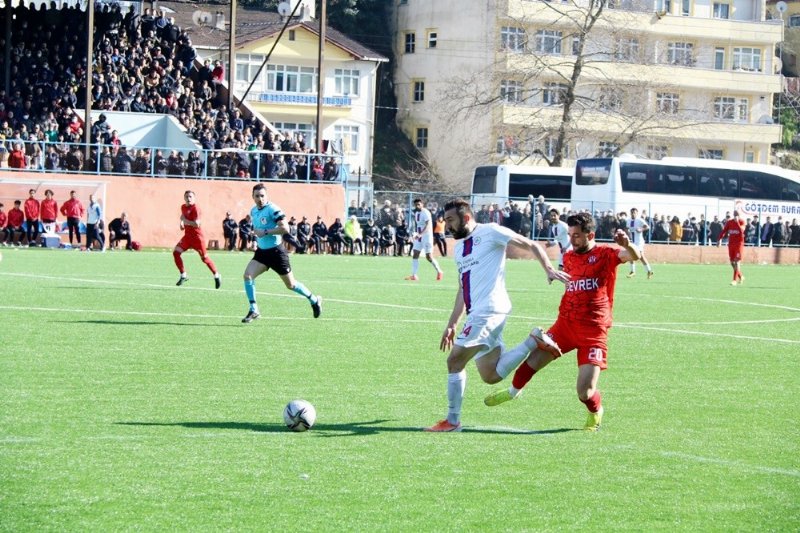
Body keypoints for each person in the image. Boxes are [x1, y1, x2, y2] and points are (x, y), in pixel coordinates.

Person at [484, 212, 641, 432]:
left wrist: (628, 244)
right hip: (565, 325)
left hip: (593, 332)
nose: (572, 239)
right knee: (532, 361)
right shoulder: (568, 257)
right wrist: (553, 275)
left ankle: (596, 411)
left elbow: (633, 256)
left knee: (584, 392)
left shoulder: (605, 254)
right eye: (570, 234)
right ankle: (512, 392)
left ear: (590, 235)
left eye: (576, 235)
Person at [425, 199, 570, 432]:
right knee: (490, 375)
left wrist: (549, 269)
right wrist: (452, 324)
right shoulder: (460, 248)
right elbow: (463, 289)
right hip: (478, 313)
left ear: (467, 218)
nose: (447, 225)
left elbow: (531, 244)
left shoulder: (491, 231)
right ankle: (533, 341)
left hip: (489, 311)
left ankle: (452, 421)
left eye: (451, 220)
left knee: (454, 361)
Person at [241, 184, 322, 323]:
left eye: (262, 196)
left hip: (277, 253)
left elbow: (285, 228)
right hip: (262, 253)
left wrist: (266, 232)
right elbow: (257, 229)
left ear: (267, 196)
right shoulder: (253, 211)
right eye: (257, 196)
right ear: (252, 197)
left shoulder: (273, 209)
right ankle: (254, 309)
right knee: (248, 275)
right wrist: (256, 239)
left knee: (291, 285)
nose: (260, 199)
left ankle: (314, 300)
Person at [173, 191, 221, 288]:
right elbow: (183, 221)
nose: (188, 198)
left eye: (190, 196)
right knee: (176, 252)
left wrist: (184, 220)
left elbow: (196, 224)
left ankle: (216, 275)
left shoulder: (196, 208)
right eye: (186, 196)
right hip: (187, 237)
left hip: (197, 238)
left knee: (205, 259)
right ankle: (183, 275)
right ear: (184, 198)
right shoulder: (183, 207)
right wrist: (182, 223)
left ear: (194, 198)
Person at [405, 198, 444, 281]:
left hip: (426, 237)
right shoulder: (416, 213)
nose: (417, 206)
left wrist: (420, 234)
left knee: (429, 257)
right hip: (419, 237)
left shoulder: (425, 212)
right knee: (415, 254)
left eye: (419, 204)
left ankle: (439, 271)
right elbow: (418, 225)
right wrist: (415, 234)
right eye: (416, 205)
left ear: (422, 204)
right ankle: (414, 275)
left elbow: (428, 225)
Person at [717, 209, 746, 285]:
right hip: (731, 244)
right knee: (732, 262)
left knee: (737, 262)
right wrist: (719, 239)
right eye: (735, 214)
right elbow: (724, 231)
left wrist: (737, 223)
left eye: (737, 215)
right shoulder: (729, 222)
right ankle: (741, 276)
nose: (736, 216)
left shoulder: (742, 222)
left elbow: (742, 231)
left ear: (739, 215)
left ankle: (734, 280)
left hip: (739, 244)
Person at [626, 207, 654, 278]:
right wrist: (627, 232)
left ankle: (649, 271)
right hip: (632, 241)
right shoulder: (628, 221)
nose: (633, 214)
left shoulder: (639, 220)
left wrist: (641, 229)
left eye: (634, 212)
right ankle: (633, 271)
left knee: (641, 256)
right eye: (631, 212)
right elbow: (627, 229)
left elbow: (648, 227)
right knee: (630, 254)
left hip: (639, 242)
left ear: (637, 213)